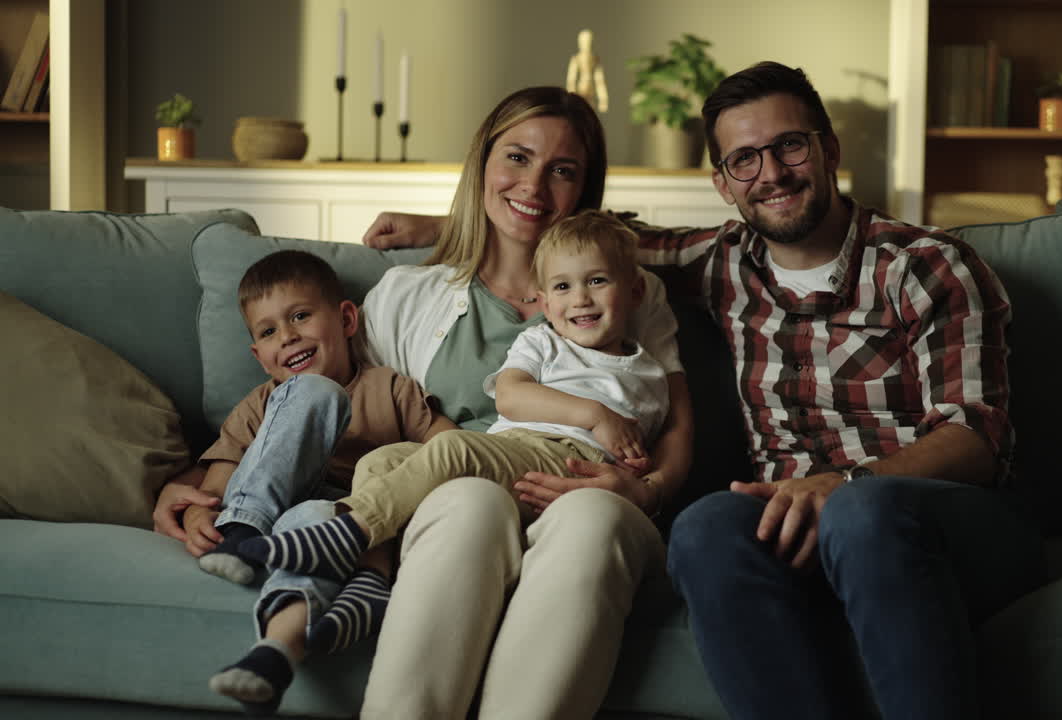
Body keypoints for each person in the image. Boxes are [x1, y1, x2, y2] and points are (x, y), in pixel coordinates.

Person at [363, 63, 1043, 720]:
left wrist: (846, 484)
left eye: (790, 146)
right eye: (744, 159)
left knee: (860, 515)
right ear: (722, 183)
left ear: (829, 149)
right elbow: (596, 242)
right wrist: (452, 227)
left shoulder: (926, 265)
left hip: (926, 509)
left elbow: (977, 436)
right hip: (785, 514)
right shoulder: (724, 261)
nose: (771, 173)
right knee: (704, 527)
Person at [359, 85, 692, 719]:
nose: (534, 185)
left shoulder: (632, 289)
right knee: (470, 501)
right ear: (481, 162)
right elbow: (340, 409)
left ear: (584, 189)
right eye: (516, 157)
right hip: (461, 500)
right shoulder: (404, 294)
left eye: (562, 171)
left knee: (591, 517)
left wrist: (646, 491)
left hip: (596, 491)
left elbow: (675, 422)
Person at [242, 211, 670, 587]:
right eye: (563, 286)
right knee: (382, 461)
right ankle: (370, 578)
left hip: (569, 459)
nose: (580, 299)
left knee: (453, 448)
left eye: (597, 281)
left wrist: (638, 474)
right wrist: (594, 414)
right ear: (544, 301)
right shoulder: (542, 340)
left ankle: (343, 530)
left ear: (635, 292)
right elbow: (509, 395)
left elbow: (642, 450)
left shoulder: (647, 373)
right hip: (510, 447)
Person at [179, 250, 455, 714]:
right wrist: (196, 514)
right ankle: (242, 535)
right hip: (265, 512)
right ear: (260, 357)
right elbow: (217, 484)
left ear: (346, 319)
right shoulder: (260, 405)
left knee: (317, 517)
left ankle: (277, 651)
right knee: (308, 392)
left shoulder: (390, 388)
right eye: (268, 332)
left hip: (342, 523)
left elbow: (450, 449)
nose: (287, 336)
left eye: (300, 316)